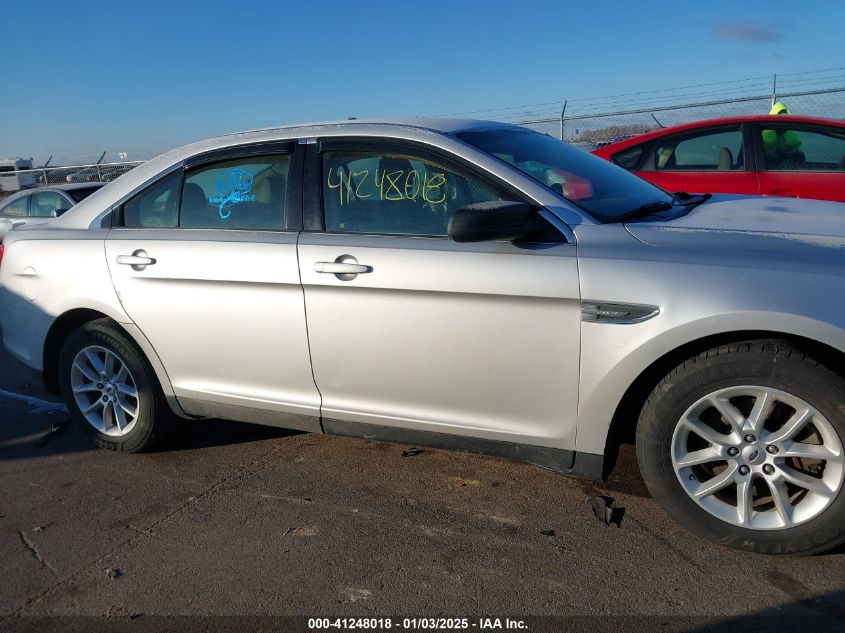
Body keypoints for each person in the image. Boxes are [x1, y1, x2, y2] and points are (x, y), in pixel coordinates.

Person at [761, 101, 804, 169]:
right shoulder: (762, 134)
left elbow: (800, 157)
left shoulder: (791, 136)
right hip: (764, 169)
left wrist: (792, 156)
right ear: (771, 121)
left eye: (785, 122)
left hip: (785, 170)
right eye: (778, 121)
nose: (781, 125)